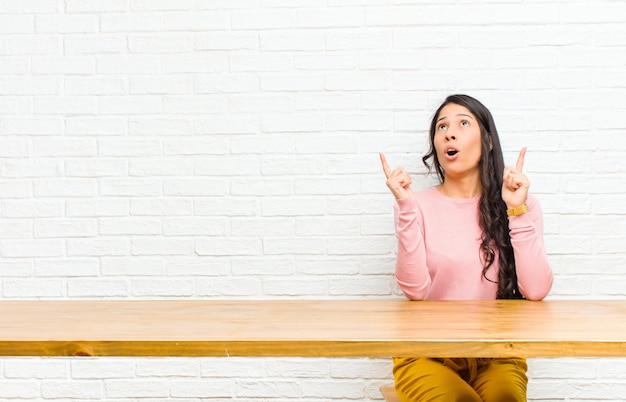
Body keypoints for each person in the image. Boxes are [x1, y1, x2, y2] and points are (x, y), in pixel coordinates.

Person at [379, 94, 553, 402]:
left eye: (463, 123)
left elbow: (536, 289)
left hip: (497, 355)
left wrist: (516, 209)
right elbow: (415, 290)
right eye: (441, 126)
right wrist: (405, 206)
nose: (449, 132)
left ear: (487, 141)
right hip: (425, 353)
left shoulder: (519, 204)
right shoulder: (416, 205)